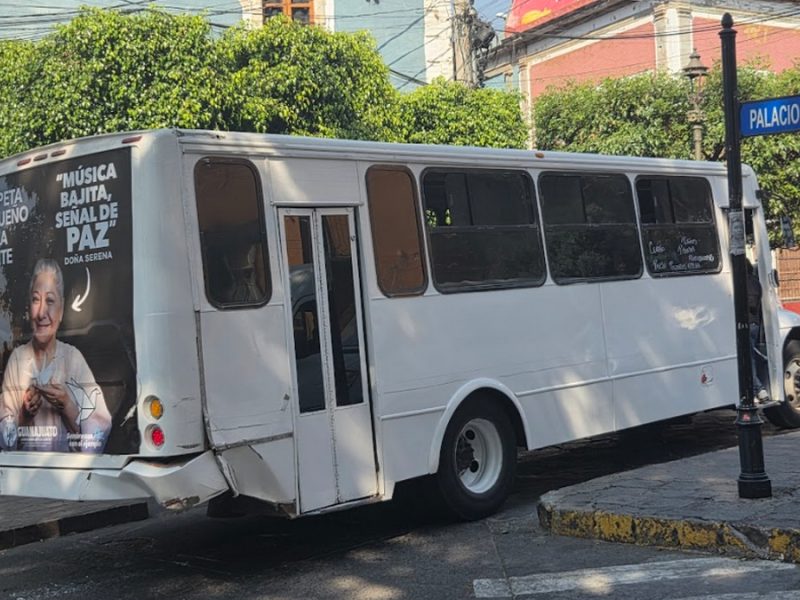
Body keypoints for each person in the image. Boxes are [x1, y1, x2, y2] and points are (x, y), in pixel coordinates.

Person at [0, 259, 111, 452]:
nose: (42, 312)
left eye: (50, 301)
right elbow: (5, 442)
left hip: (69, 477)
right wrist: (24, 416)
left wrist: (67, 405)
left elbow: (97, 437)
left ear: (61, 310)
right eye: (36, 299)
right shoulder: (18, 359)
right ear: (29, 307)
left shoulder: (73, 358)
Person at [746, 259, 769, 404]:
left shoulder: (742, 284)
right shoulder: (755, 282)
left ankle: (759, 389)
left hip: (746, 324)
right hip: (754, 323)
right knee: (751, 357)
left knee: (748, 359)